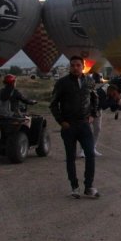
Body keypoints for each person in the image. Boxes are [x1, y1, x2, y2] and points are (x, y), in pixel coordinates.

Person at [49, 56, 100, 199]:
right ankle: (74, 186)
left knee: (90, 154)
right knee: (71, 157)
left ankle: (89, 186)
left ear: (83, 66)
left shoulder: (89, 81)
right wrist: (61, 121)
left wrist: (93, 114)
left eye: (78, 65)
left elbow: (95, 98)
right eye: (73, 65)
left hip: (84, 124)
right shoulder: (62, 83)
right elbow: (53, 104)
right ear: (69, 67)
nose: (75, 67)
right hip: (69, 125)